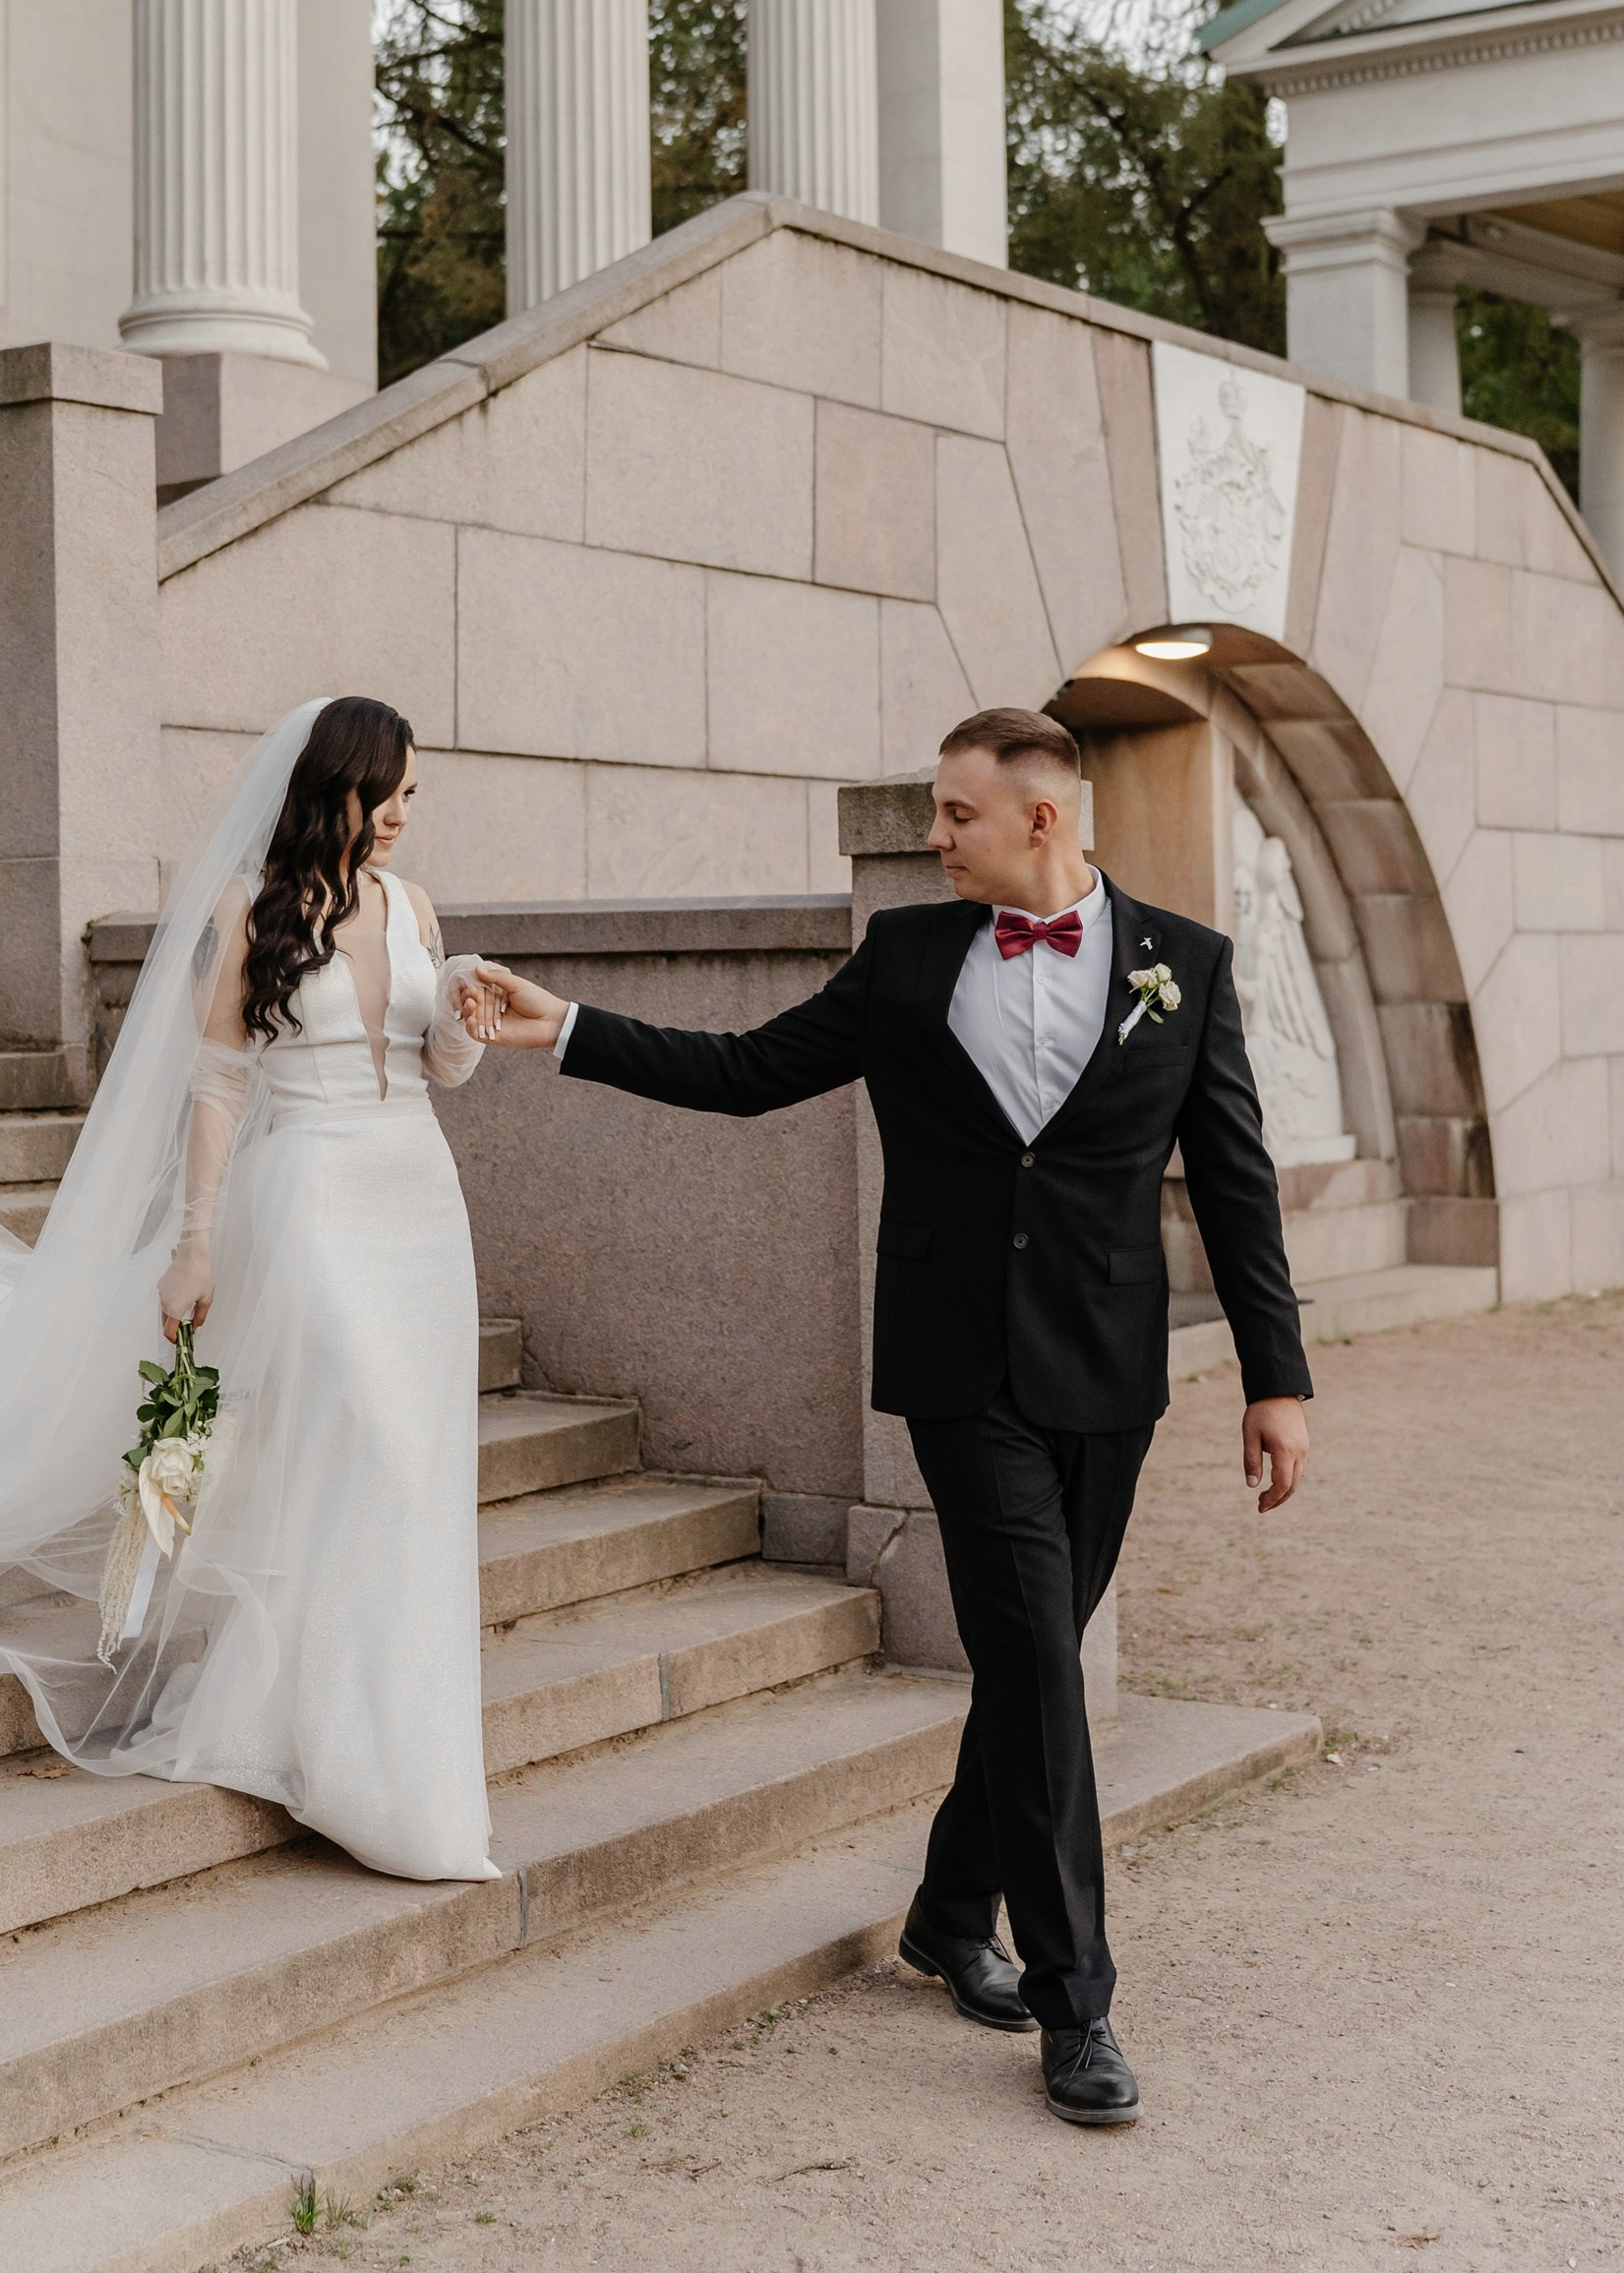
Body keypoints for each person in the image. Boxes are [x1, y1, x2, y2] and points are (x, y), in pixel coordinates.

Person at [462, 703, 1312, 2123]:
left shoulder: (1185, 965)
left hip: (1105, 1374)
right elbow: (744, 1076)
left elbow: (1232, 1180)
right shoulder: (907, 957)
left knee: (1027, 1668)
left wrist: (1275, 1379)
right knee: (1040, 1666)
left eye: (953, 814)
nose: (931, 837)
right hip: (955, 1371)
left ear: (1041, 818)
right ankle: (1076, 2005)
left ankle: (943, 1911)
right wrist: (570, 1030)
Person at [0, 696, 500, 1884]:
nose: (403, 813)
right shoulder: (252, 908)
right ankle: (354, 1759)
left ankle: (362, 1737)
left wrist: (460, 1023)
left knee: (412, 1467)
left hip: (418, 1207)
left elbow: (430, 1072)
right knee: (363, 1440)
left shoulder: (415, 909)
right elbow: (216, 1089)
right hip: (311, 1206)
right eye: (385, 789)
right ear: (331, 787)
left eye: (413, 792)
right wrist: (192, 1246)